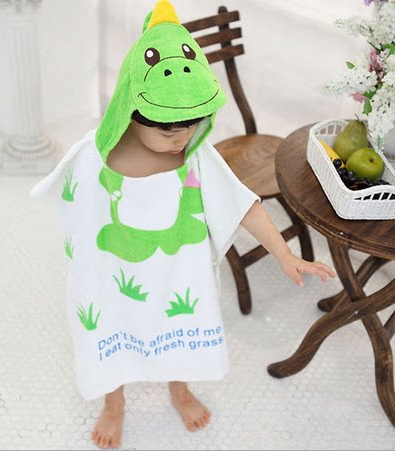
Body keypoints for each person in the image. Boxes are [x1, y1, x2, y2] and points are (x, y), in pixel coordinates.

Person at [30, 1, 335, 449]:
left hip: (176, 276)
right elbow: (76, 210)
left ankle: (180, 389)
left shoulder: (196, 156)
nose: (181, 140)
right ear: (131, 109)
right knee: (111, 333)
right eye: (168, 132)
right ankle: (114, 403)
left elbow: (242, 204)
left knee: (178, 335)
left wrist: (285, 254)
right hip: (113, 280)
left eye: (191, 128)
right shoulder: (93, 157)